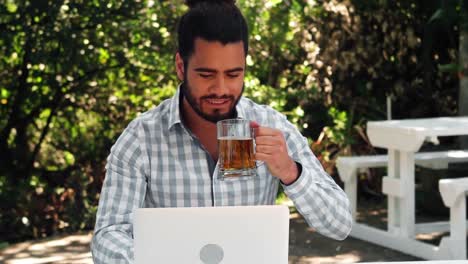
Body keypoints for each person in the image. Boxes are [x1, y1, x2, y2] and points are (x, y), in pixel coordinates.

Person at [91, 0, 352, 262]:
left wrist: (290, 172)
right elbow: (107, 236)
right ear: (181, 67)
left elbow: (340, 224)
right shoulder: (141, 139)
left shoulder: (271, 125)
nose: (221, 89)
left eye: (233, 74)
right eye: (206, 75)